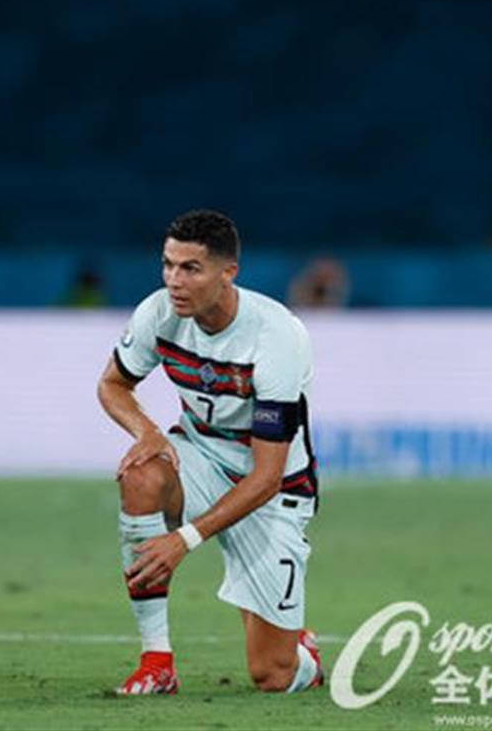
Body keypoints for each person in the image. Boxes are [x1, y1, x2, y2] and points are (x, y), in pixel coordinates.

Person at [97, 210, 324, 696]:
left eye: (191, 269)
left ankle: (300, 650)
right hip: (199, 457)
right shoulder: (158, 313)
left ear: (228, 273)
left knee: (273, 676)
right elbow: (112, 384)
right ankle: (157, 662)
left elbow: (265, 477)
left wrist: (184, 540)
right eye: (168, 264)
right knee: (141, 474)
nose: (174, 281)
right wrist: (147, 431)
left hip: (273, 491)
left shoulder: (276, 338)